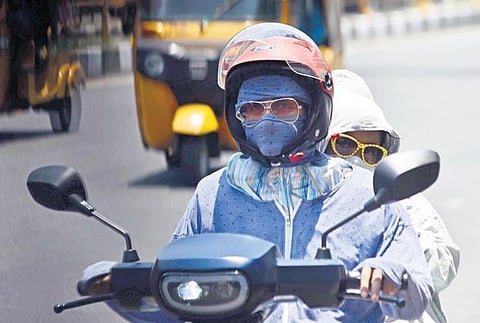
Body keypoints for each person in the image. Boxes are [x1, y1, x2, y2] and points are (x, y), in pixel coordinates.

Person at [79, 23, 434, 322]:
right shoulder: (213, 194)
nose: (266, 119)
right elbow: (176, 288)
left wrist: (388, 274)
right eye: (251, 109)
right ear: (236, 116)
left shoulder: (365, 195)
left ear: (314, 110)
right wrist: (119, 283)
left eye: (283, 106)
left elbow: (418, 288)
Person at [323, 69, 460, 323]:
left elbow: (443, 256)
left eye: (371, 151)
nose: (357, 157)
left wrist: (399, 269)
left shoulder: (393, 194)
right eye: (345, 144)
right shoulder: (298, 194)